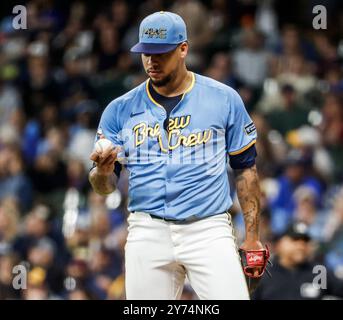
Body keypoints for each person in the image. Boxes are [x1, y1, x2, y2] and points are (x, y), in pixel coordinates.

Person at [89, 11, 267, 300]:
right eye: (145, 52)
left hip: (208, 228)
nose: (151, 61)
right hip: (147, 229)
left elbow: (246, 169)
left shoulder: (223, 98)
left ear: (183, 49)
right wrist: (103, 173)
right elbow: (103, 187)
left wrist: (252, 237)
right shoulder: (119, 109)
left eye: (160, 52)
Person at [253, 222, 343, 300]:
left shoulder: (319, 272)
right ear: (280, 243)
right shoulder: (262, 273)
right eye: (295, 240)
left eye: (305, 241)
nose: (301, 246)